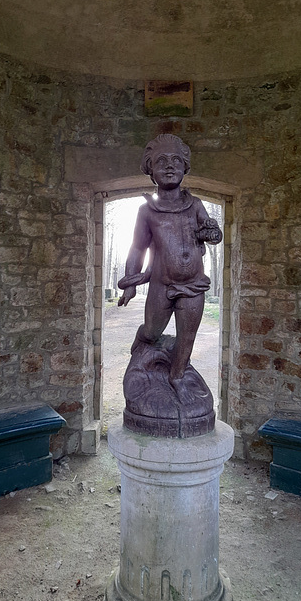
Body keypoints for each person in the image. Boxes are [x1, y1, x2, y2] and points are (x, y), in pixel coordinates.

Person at [118, 134, 222, 402]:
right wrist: (130, 283)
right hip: (161, 286)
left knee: (187, 336)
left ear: (185, 167)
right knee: (152, 331)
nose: (169, 166)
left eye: (176, 160)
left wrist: (211, 232)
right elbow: (137, 248)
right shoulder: (147, 211)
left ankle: (177, 375)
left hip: (194, 285)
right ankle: (142, 344)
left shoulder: (195, 205)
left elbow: (212, 233)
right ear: (150, 170)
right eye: (161, 161)